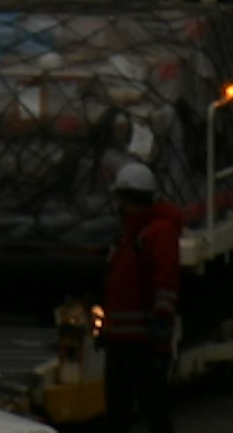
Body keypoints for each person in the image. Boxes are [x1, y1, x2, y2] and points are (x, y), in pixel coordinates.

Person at [97, 159, 182, 428]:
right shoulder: (132, 236)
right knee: (119, 414)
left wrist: (160, 323)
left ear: (130, 198)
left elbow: (165, 282)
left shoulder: (156, 234)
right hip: (122, 343)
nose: (118, 207)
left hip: (143, 344)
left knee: (153, 412)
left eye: (120, 199)